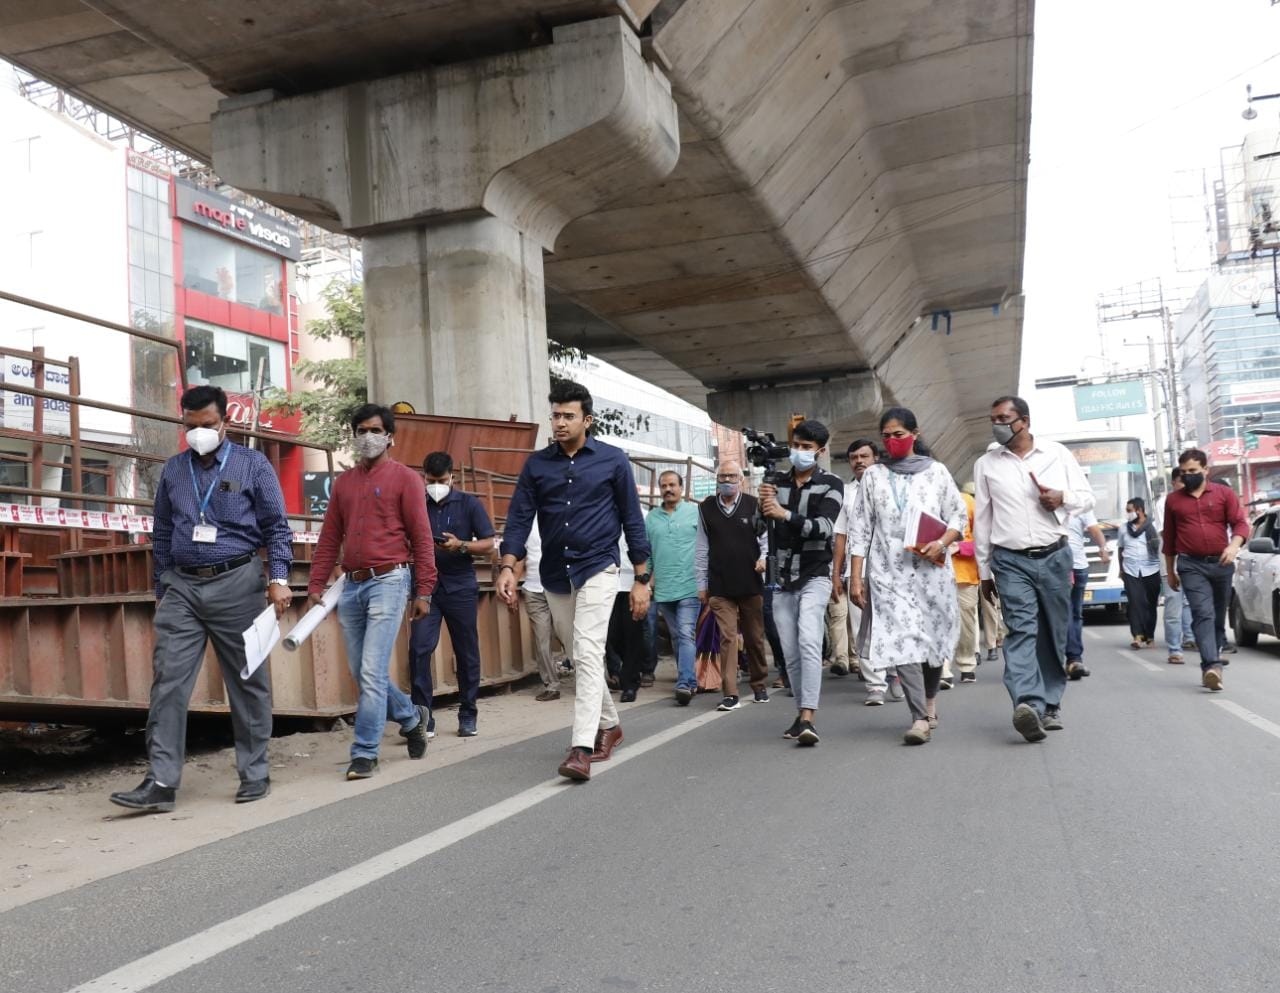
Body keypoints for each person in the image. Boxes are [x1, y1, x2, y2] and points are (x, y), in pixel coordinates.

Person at [110, 385, 294, 813]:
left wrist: (279, 578)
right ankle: (160, 781)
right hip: (183, 587)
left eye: (207, 426)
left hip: (238, 582)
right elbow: (161, 532)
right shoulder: (175, 471)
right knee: (168, 682)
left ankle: (254, 772)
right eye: (190, 427)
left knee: (248, 681)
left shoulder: (253, 465)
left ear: (224, 422)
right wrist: (162, 588)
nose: (198, 434)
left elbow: (277, 528)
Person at [496, 380, 651, 782]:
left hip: (599, 567)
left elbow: (633, 520)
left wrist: (641, 578)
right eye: (556, 415)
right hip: (555, 574)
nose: (560, 422)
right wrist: (509, 566)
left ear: (587, 419)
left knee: (585, 651)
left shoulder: (614, 461)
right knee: (582, 654)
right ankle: (611, 725)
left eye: (568, 415)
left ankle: (580, 748)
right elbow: (518, 518)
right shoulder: (537, 466)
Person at [307, 404, 437, 779]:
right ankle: (412, 718)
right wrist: (317, 582)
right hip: (352, 586)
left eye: (375, 430)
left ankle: (364, 752)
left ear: (389, 436)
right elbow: (330, 535)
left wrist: (424, 590)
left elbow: (422, 538)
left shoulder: (406, 480)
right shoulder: (344, 483)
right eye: (361, 430)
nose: (368, 437)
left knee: (370, 669)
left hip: (390, 581)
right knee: (363, 672)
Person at [974, 395, 1094, 742]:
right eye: (992, 418)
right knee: (1022, 630)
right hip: (1010, 560)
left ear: (1023, 421)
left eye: (1002, 417)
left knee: (1054, 632)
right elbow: (982, 520)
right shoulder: (986, 464)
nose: (996, 423)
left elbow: (1087, 497)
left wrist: (1062, 497)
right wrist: (984, 572)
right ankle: (1027, 703)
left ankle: (1051, 703)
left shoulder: (1056, 454)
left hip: (1055, 555)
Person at [849, 408, 967, 744]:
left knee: (931, 643)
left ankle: (929, 704)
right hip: (888, 576)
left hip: (931, 574)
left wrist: (942, 542)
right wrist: (856, 578)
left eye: (898, 434)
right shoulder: (873, 476)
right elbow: (860, 529)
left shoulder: (937, 473)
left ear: (915, 434)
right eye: (885, 436)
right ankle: (918, 718)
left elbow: (958, 517)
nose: (891, 441)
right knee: (903, 644)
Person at [758, 419, 843, 746]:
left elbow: (824, 527)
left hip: (815, 573)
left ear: (820, 452)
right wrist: (762, 504)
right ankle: (800, 714)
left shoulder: (831, 483)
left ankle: (809, 716)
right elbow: (759, 529)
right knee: (790, 651)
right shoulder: (776, 482)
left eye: (807, 447)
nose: (799, 452)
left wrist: (784, 514)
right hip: (781, 577)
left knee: (809, 639)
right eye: (796, 445)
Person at [406, 452, 495, 738]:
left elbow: (489, 544)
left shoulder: (469, 504)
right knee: (419, 649)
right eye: (431, 481)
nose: (436, 486)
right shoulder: (414, 503)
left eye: (441, 480)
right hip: (424, 588)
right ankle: (423, 718)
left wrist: (461, 545)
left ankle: (468, 713)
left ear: (452, 477)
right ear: (423, 477)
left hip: (460, 586)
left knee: (467, 651)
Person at [1162, 449, 1249, 691]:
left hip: (1221, 564)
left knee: (1218, 615)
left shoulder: (1224, 494)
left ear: (1205, 470)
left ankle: (1215, 651)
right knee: (1203, 614)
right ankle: (1211, 666)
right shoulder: (1173, 500)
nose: (1188, 475)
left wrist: (1233, 546)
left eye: (1193, 471)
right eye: (1184, 472)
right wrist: (1170, 571)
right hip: (1190, 565)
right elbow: (1169, 538)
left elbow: (1241, 523)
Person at [695, 459, 770, 710]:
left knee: (754, 637)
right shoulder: (706, 509)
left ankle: (759, 684)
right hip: (720, 585)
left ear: (742, 480)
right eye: (723, 476)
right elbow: (701, 548)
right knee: (727, 637)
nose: (727, 481)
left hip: (750, 582)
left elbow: (766, 539)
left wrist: (763, 559)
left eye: (731, 476)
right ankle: (730, 693)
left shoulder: (754, 505)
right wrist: (701, 584)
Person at [645, 470, 701, 705]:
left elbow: (707, 547)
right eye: (664, 485)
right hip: (664, 590)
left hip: (691, 586)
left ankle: (683, 682)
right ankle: (690, 680)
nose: (668, 489)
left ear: (681, 487)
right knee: (677, 636)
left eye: (672, 485)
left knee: (686, 632)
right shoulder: (651, 518)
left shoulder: (695, 513)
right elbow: (647, 554)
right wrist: (645, 583)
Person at [830, 439, 879, 685]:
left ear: (875, 459)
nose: (859, 461)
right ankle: (875, 684)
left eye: (864, 456)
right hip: (856, 571)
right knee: (862, 627)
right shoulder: (846, 494)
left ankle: (892, 673)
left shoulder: (888, 487)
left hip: (889, 570)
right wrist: (836, 574)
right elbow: (841, 535)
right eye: (854, 457)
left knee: (887, 625)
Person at [514, 520, 561, 700]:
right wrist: (512, 585)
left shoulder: (561, 514)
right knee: (542, 640)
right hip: (534, 589)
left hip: (560, 589)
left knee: (571, 636)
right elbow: (520, 558)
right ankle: (551, 686)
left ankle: (589, 680)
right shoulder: (525, 522)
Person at [942, 481, 982, 688]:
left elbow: (984, 539)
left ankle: (967, 664)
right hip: (936, 573)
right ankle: (942, 668)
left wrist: (959, 547)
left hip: (964, 573)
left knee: (966, 621)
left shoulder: (968, 502)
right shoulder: (926, 501)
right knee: (940, 621)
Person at [1063, 506, 1110, 679]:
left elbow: (1094, 529)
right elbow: (1095, 530)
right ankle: (1074, 659)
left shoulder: (1056, 503)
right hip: (1075, 566)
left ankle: (1073, 659)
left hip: (1066, 566)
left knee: (1068, 613)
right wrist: (1103, 549)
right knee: (1075, 613)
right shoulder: (1080, 503)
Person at [1153, 469, 1194, 664]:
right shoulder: (1165, 503)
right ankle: (1174, 649)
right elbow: (1165, 534)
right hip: (1172, 562)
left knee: (1189, 604)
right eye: (1181, 481)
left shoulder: (1195, 499)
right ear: (1173, 483)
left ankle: (1190, 638)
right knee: (1173, 605)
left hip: (1193, 562)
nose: (1185, 485)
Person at [606, 536, 647, 702]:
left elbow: (647, 553)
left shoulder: (641, 518)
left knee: (633, 635)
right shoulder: (604, 517)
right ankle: (630, 668)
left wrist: (646, 583)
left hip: (633, 586)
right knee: (611, 635)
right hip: (608, 585)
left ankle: (630, 683)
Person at [1118, 496, 1162, 652]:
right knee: (1135, 603)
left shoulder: (1152, 527)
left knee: (1150, 604)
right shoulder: (1124, 528)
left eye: (1130, 511)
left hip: (1152, 570)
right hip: (1131, 570)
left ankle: (1149, 635)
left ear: (1140, 510)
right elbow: (1121, 548)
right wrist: (1121, 569)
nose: (1128, 514)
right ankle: (1137, 635)